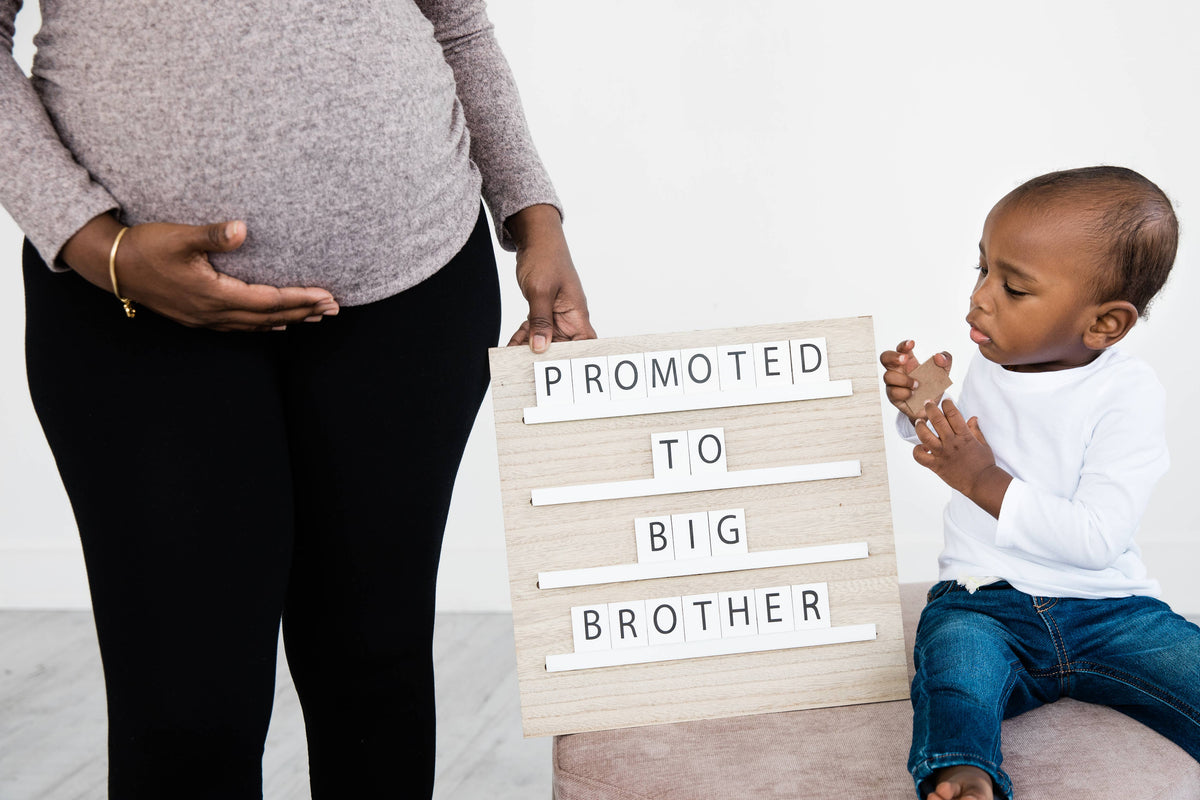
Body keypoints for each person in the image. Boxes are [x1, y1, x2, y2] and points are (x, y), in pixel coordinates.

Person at [1, 1, 594, 797]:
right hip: (132, 309)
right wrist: (95, 244)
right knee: (185, 710)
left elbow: (455, 20)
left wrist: (535, 217)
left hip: (412, 284)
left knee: (375, 679)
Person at [879, 166, 1200, 800]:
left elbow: (1096, 539)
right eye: (983, 270)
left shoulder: (1125, 395)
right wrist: (919, 410)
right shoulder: (991, 360)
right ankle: (963, 771)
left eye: (1015, 289)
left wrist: (984, 481)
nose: (980, 300)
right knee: (952, 672)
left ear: (1104, 324)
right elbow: (955, 450)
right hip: (984, 598)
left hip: (1111, 608)